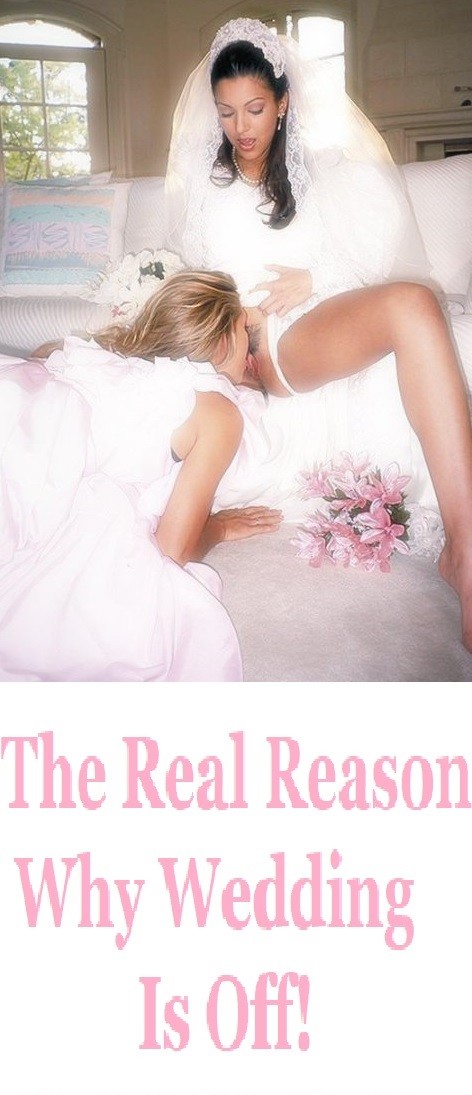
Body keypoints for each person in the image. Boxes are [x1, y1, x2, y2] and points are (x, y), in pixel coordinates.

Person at [164, 18, 472, 648]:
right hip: (245, 341)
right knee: (412, 306)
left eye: (255, 108)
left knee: (414, 304)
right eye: (226, 112)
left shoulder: (324, 171)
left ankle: (464, 548)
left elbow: (377, 261)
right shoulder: (203, 184)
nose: (241, 127)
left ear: (283, 102)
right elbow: (192, 278)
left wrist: (315, 277)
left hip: (306, 321)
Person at [0, 272, 283, 683]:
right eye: (246, 332)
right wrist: (219, 527)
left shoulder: (82, 353)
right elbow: (174, 550)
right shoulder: (218, 415)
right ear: (222, 342)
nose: (253, 348)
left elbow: (39, 368)